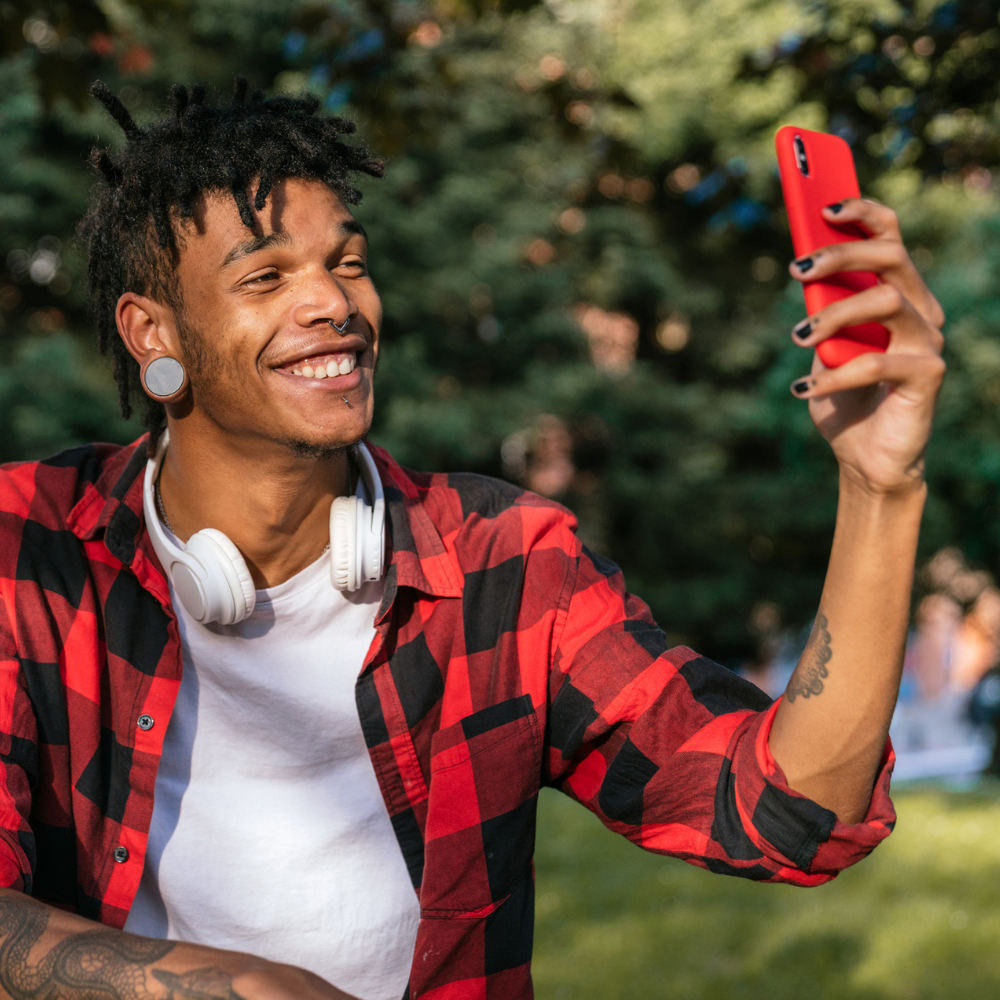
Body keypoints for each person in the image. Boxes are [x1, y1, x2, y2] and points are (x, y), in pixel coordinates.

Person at [0, 79, 945, 1000]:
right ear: (151, 331)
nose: (332, 302)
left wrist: (880, 485)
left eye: (350, 262)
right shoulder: (24, 552)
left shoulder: (507, 565)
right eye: (265, 276)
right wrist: (233, 985)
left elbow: (785, 814)